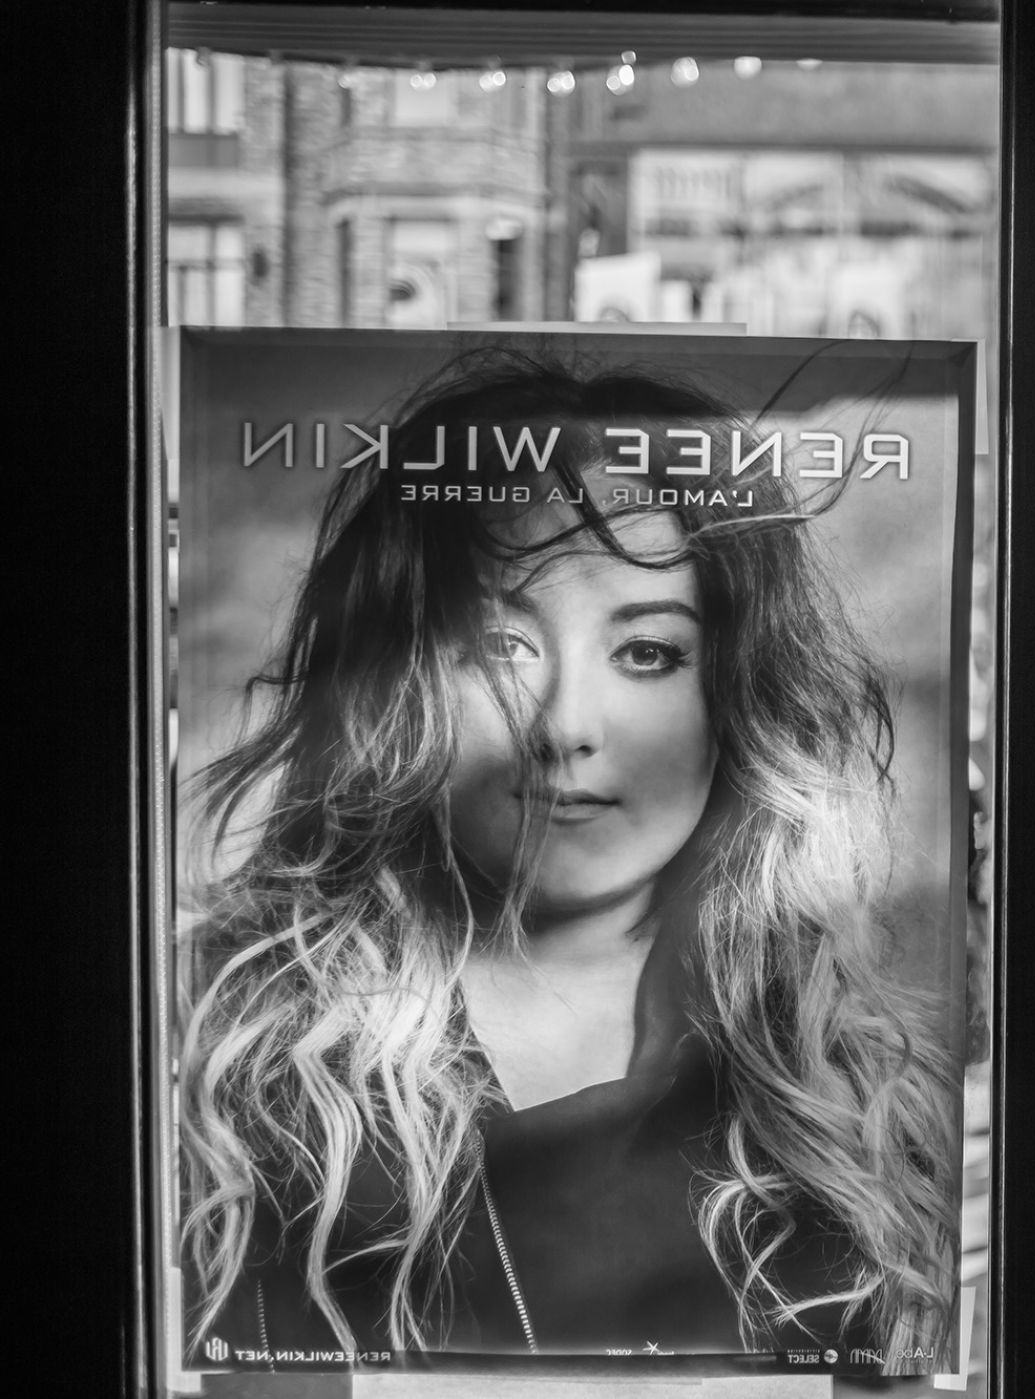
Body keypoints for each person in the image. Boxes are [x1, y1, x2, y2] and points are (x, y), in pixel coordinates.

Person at [179, 352, 958, 1368]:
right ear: (397, 684)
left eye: (647, 651)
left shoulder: (855, 1080)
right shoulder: (221, 1053)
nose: (564, 727)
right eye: (498, 647)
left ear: (737, 695)